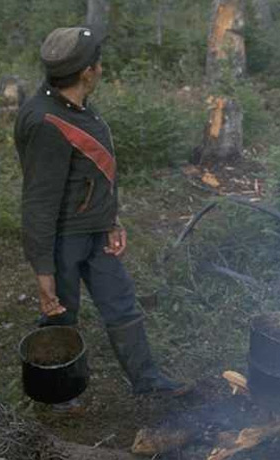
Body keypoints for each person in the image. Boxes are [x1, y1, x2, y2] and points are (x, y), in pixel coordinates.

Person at [14, 27, 191, 408]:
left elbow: (94, 171)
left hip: (95, 232)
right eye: (98, 63)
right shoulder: (46, 122)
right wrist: (43, 270)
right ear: (87, 72)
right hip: (63, 239)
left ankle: (147, 380)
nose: (101, 68)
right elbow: (38, 202)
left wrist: (111, 220)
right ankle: (56, 396)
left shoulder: (77, 106)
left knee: (121, 303)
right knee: (60, 315)